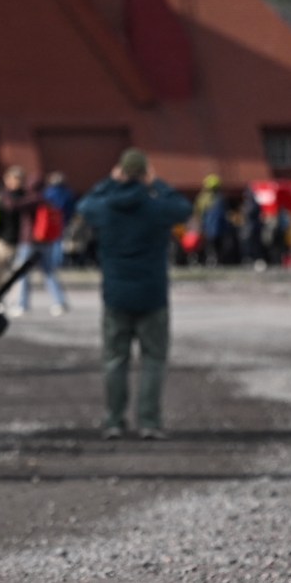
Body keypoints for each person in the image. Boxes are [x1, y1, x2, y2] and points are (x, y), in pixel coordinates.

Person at [80, 150, 193, 441]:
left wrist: (109, 182)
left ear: (121, 172)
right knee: (153, 359)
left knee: (115, 360)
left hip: (116, 294)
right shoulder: (157, 207)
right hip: (152, 293)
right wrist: (157, 183)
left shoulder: (105, 207)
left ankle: (114, 421)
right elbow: (183, 208)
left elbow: (84, 205)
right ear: (144, 173)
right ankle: (149, 421)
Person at [17, 174, 70, 315]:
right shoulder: (48, 199)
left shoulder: (31, 199)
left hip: (30, 241)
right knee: (49, 271)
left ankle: (22, 303)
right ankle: (59, 301)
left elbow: (12, 206)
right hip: (46, 241)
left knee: (23, 274)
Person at [0, 165, 36, 284]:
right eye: (12, 178)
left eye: (18, 179)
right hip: (2, 240)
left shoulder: (28, 197)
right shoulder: (0, 196)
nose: (15, 182)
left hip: (22, 241)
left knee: (16, 276)